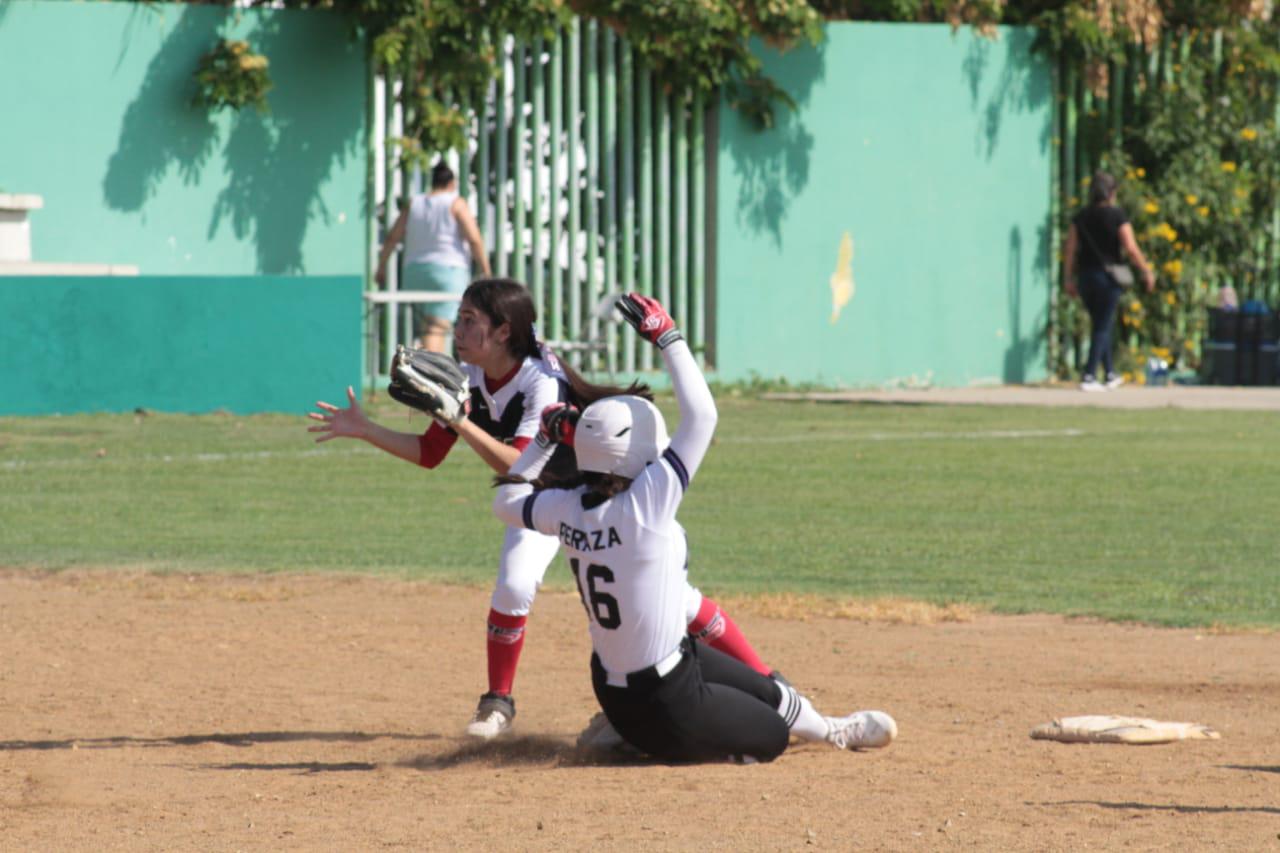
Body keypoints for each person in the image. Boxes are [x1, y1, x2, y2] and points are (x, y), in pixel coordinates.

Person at [308, 278, 779, 740]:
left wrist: (459, 421)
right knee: (513, 587)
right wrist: (367, 429)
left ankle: (770, 683)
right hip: (546, 503)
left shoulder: (542, 380)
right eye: (460, 318)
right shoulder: (470, 374)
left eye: (470, 320)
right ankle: (497, 702)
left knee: (680, 599)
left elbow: (518, 462)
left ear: (503, 332)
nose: (458, 328)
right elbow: (431, 454)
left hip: (605, 500)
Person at [492, 293, 897, 763]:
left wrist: (542, 441)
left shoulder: (567, 506)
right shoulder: (646, 504)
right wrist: (668, 337)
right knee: (770, 738)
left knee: (769, 689)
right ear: (632, 455)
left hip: (616, 683)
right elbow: (703, 417)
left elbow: (507, 500)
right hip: (666, 702)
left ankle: (831, 730)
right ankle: (644, 741)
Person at [376, 160, 492, 353]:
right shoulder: (456, 203)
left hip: (414, 272)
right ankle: (431, 378)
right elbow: (474, 239)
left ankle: (420, 369)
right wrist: (485, 270)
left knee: (426, 328)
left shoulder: (414, 203)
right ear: (451, 183)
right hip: (448, 271)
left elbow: (392, 237)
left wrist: (381, 267)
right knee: (436, 329)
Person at [1063, 170, 1157, 391]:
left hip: (1086, 277)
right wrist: (1146, 270)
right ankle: (1089, 375)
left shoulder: (1081, 217)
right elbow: (1131, 248)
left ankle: (1110, 374)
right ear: (1112, 192)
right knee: (1102, 326)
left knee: (1101, 323)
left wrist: (1068, 277)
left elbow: (1070, 248)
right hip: (1108, 277)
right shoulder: (1117, 216)